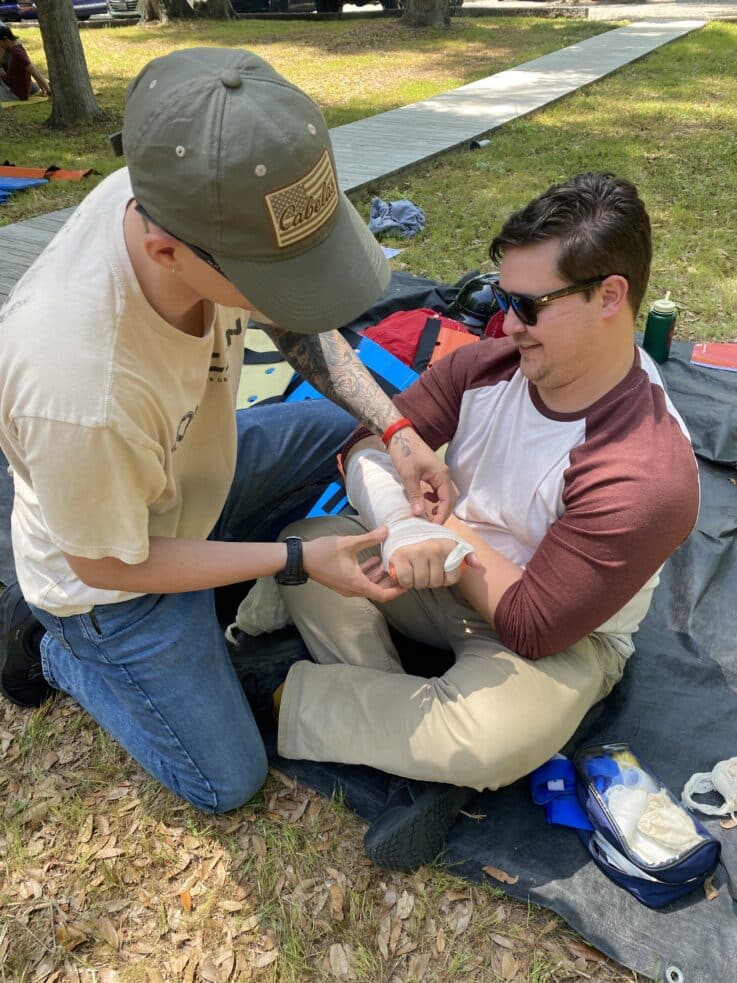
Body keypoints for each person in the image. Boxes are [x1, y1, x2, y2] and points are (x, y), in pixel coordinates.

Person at [0, 47, 456, 814]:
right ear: (166, 251)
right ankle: (51, 651)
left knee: (328, 428)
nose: (292, 294)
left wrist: (397, 427)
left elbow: (297, 323)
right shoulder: (79, 388)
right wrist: (294, 560)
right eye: (274, 276)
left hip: (187, 478)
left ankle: (223, 570)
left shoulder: (179, 190)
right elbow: (110, 563)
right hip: (110, 581)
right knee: (225, 779)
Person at [273, 172, 700, 871]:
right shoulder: (488, 364)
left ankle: (291, 699)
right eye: (502, 298)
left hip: (555, 633)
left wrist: (440, 536)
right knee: (310, 549)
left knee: (494, 735)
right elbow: (365, 445)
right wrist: (399, 522)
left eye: (526, 305)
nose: (504, 322)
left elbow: (533, 623)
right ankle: (418, 760)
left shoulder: (644, 470)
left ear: (609, 297)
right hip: (436, 570)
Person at [0, 25, 50, 101]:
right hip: (10, 85)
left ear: (5, 40)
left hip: (13, 92)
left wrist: (48, 91)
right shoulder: (16, 47)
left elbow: (33, 70)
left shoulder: (17, 53)